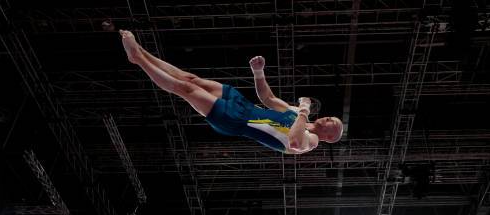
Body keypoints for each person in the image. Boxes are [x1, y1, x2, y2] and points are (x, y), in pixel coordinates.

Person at [120, 30, 343, 154]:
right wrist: (259, 73)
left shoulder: (311, 140)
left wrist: (304, 110)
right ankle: (141, 52)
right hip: (243, 104)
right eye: (332, 116)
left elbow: (294, 142)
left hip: (236, 121)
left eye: (333, 120)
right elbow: (268, 98)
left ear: (330, 136)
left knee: (186, 89)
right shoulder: (295, 112)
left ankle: (138, 60)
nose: (329, 117)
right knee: (191, 79)